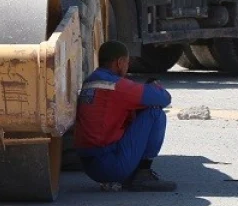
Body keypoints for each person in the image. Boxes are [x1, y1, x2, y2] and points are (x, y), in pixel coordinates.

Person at [74, 40, 177, 192]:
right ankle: (143, 174)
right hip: (111, 166)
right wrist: (155, 86)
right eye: (127, 62)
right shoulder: (117, 86)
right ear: (120, 62)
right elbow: (164, 98)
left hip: (89, 166)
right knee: (154, 113)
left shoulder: (90, 81)